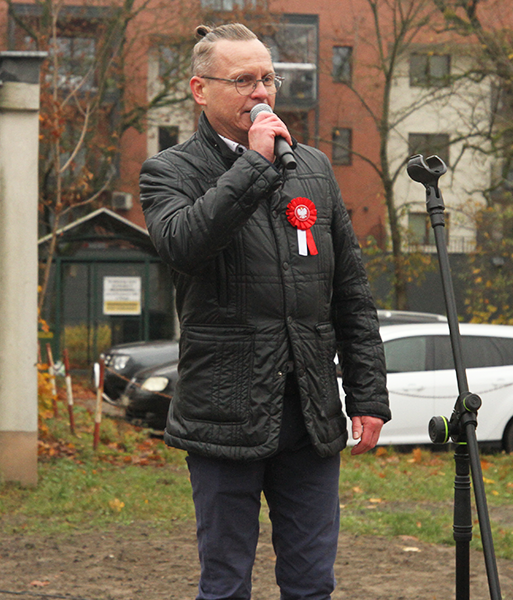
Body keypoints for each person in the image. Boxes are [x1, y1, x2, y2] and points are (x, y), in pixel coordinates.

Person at [139, 23, 390, 600]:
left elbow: (350, 293)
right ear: (201, 90)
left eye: (268, 79)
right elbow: (183, 245)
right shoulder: (169, 172)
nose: (261, 93)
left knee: (311, 583)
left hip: (309, 415)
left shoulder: (315, 170)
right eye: (243, 80)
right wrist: (252, 165)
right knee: (225, 584)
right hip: (224, 414)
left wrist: (369, 396)